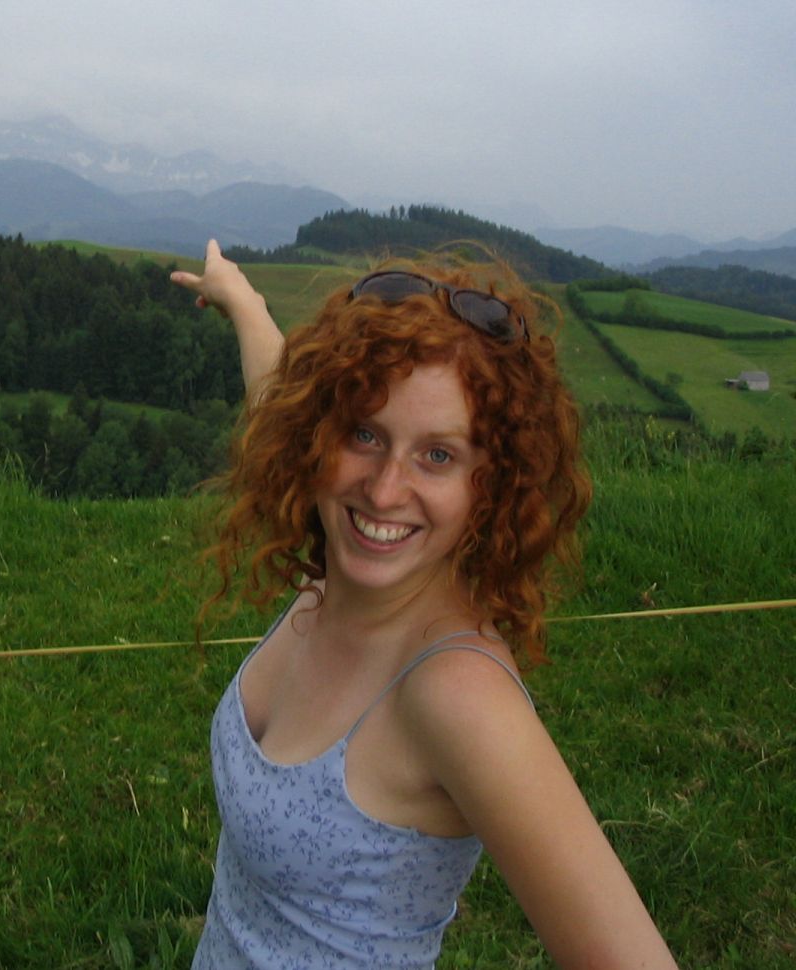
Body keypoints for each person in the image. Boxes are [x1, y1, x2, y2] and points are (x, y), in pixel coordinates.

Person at [171, 241, 678, 969]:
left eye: (438, 455)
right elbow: (271, 390)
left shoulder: (457, 695)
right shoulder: (337, 572)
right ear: (317, 433)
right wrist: (241, 299)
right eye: (365, 433)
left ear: (490, 483)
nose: (383, 491)